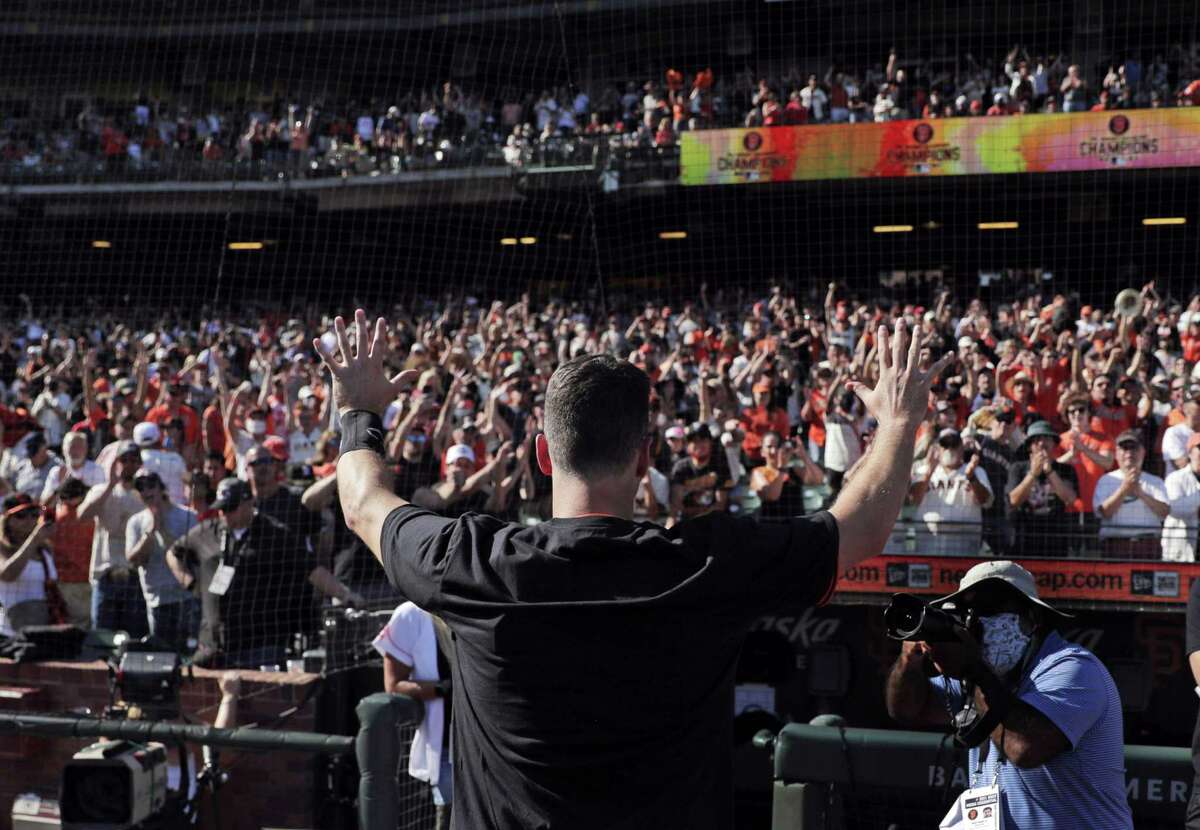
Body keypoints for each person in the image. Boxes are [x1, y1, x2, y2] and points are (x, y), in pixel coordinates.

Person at [317, 309, 949, 829]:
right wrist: (898, 422)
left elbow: (362, 503)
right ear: (645, 455)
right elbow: (860, 529)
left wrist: (358, 413)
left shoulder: (474, 562)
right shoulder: (707, 564)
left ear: (542, 453)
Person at [886, 560, 1132, 830]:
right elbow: (908, 709)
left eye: (990, 608)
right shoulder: (981, 676)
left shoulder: (1073, 668)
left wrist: (973, 667)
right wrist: (909, 661)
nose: (976, 620)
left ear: (1033, 619)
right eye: (967, 611)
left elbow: (1024, 748)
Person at [166, 478, 361, 668]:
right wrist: (190, 583)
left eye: (231, 508)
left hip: (260, 647)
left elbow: (312, 570)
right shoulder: (206, 531)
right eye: (222, 508)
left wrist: (344, 594)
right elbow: (173, 553)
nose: (225, 514)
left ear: (249, 503)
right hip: (212, 646)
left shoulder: (276, 534)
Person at [373, 602, 455, 829]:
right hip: (446, 748)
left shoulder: (480, 600)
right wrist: (444, 689)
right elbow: (393, 685)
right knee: (450, 818)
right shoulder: (410, 614)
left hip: (490, 743)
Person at [78, 441, 149, 636]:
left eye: (134, 460)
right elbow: (82, 515)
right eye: (124, 459)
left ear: (140, 464)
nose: (129, 464)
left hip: (135, 577)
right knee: (102, 638)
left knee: (134, 639)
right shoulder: (101, 490)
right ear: (116, 462)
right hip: (106, 576)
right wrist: (110, 484)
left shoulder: (146, 496)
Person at [126, 470, 200, 653]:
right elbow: (134, 560)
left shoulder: (188, 517)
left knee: (189, 655)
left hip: (187, 600)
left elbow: (193, 557)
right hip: (157, 601)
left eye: (151, 485)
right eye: (141, 487)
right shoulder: (136, 522)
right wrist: (151, 532)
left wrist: (163, 530)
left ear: (161, 487)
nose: (147, 491)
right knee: (162, 657)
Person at [909, 428, 993, 556]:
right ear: (938, 448)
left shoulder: (976, 471)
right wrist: (929, 472)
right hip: (929, 542)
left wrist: (971, 477)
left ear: (962, 448)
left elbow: (986, 501)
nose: (950, 449)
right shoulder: (923, 470)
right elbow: (913, 500)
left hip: (964, 543)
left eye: (954, 445)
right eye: (945, 445)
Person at [1093, 430, 1168, 559]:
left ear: (1143, 452)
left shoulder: (1155, 481)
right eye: (1124, 448)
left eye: (1133, 448)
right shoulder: (1106, 480)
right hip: (1115, 545)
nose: (1129, 453)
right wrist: (1124, 488)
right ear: (1116, 453)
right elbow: (1104, 512)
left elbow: (1164, 512)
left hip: (1148, 546)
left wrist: (1140, 493)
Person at [1006, 421, 1078, 557]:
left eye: (1046, 439)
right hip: (1024, 540)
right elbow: (1013, 501)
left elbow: (1069, 499)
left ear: (1054, 444)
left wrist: (1050, 472)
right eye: (1037, 440)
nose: (1041, 443)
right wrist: (1033, 474)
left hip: (1055, 542)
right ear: (1029, 446)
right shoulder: (1018, 468)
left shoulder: (1066, 470)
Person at [0, 494, 59, 636]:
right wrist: (34, 539)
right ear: (7, 521)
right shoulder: (2, 548)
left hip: (41, 631)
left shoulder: (45, 550)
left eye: (34, 514)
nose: (29, 520)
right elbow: (8, 575)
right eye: (21, 515)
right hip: (9, 634)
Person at [1164, 433, 1200, 562]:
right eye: (1199, 448)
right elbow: (1175, 509)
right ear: (1190, 453)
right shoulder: (1175, 478)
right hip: (1181, 550)